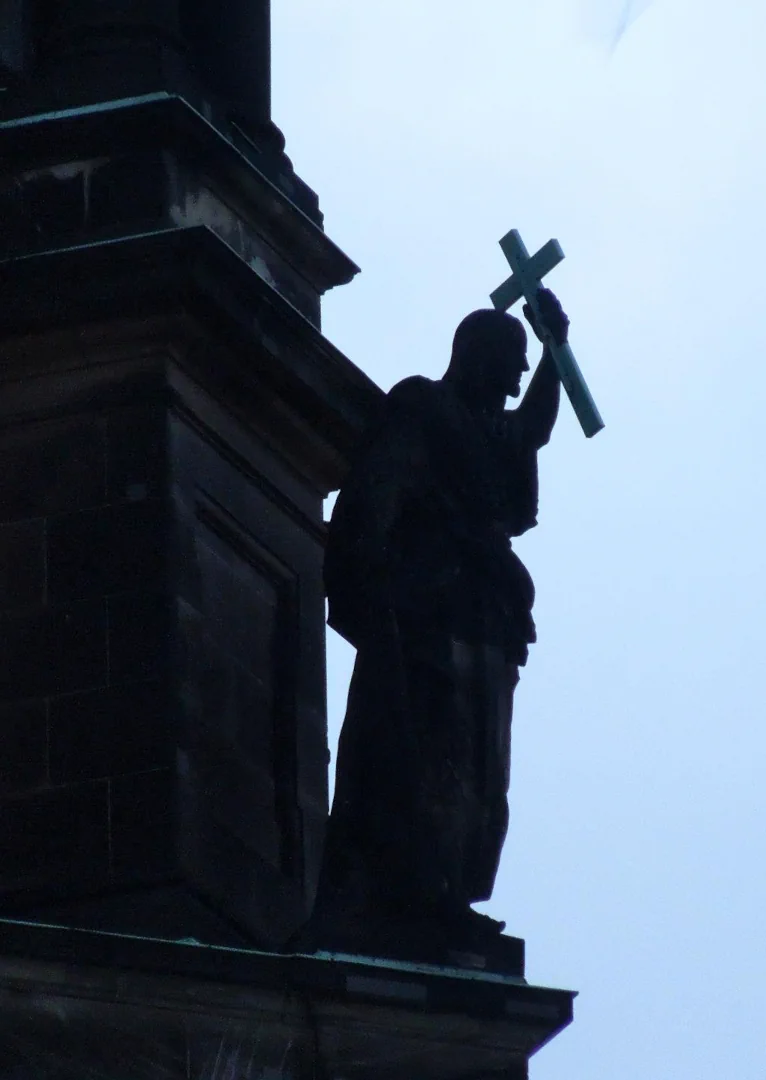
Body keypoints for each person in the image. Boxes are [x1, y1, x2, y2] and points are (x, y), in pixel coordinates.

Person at [317, 288, 569, 937]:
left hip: (485, 616)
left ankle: (449, 890)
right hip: (428, 610)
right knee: (427, 748)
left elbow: (531, 430)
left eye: (522, 368)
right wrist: (372, 581)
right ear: (478, 354)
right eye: (512, 362)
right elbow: (379, 492)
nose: (517, 380)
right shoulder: (424, 405)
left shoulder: (492, 429)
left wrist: (553, 350)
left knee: (483, 766)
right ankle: (413, 891)